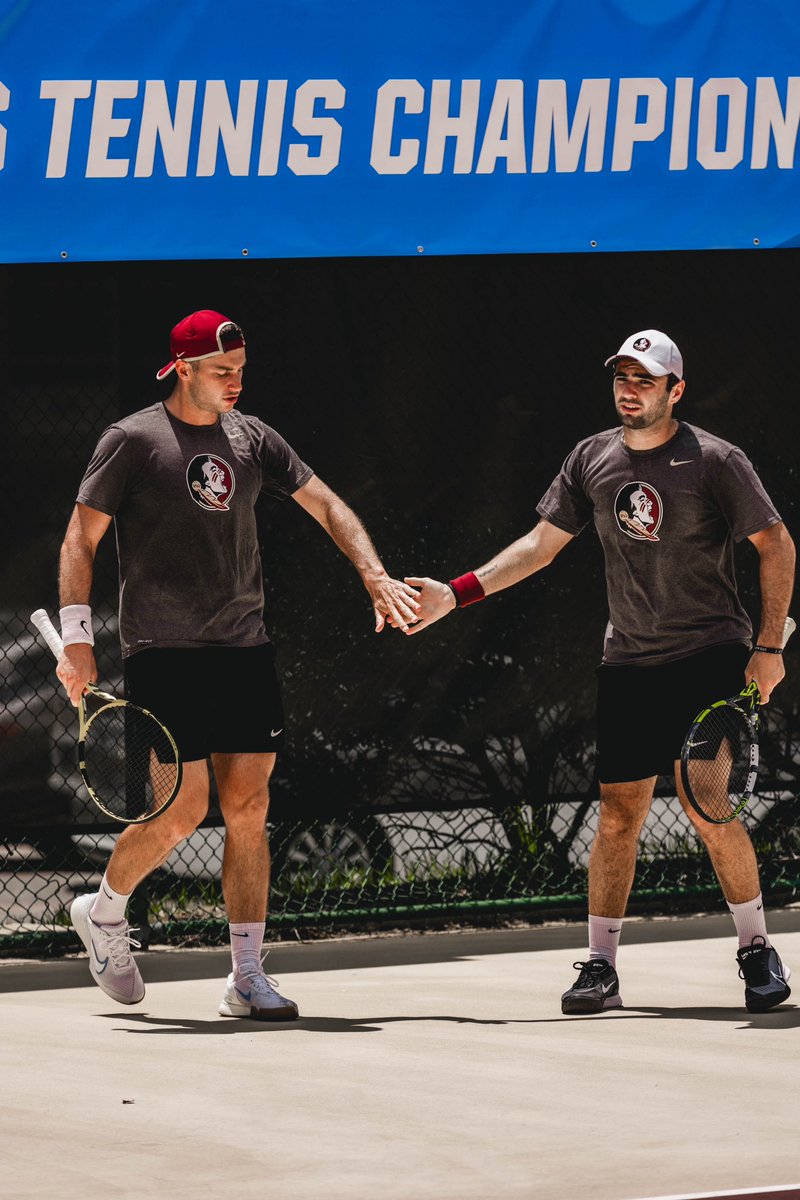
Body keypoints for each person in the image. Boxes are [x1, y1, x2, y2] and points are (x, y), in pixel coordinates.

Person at [400, 329, 796, 1015]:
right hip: (630, 664)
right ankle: (601, 967)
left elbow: (776, 544)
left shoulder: (715, 461)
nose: (629, 389)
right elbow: (540, 546)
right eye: (621, 376)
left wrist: (768, 647)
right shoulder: (591, 459)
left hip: (710, 655)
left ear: (676, 390)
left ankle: (756, 948)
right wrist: (455, 593)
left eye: (644, 379)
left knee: (710, 806)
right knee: (618, 817)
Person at [55, 309, 420, 1020]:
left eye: (242, 371)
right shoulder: (131, 440)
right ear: (182, 368)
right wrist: (77, 636)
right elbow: (80, 537)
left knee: (250, 809)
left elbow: (327, 505)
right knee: (182, 810)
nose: (235, 383)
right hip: (164, 653)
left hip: (245, 650)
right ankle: (102, 913)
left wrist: (373, 574)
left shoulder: (255, 438)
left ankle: (247, 976)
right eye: (222, 372)